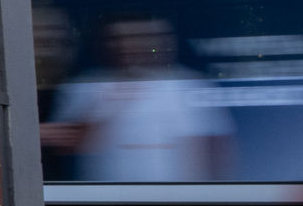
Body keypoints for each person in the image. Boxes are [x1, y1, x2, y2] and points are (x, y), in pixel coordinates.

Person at [43, 16, 234, 183]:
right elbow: (66, 146)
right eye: (117, 39)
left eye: (139, 38)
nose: (127, 46)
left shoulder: (189, 84)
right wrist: (111, 103)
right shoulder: (83, 86)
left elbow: (216, 149)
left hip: (180, 202)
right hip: (102, 205)